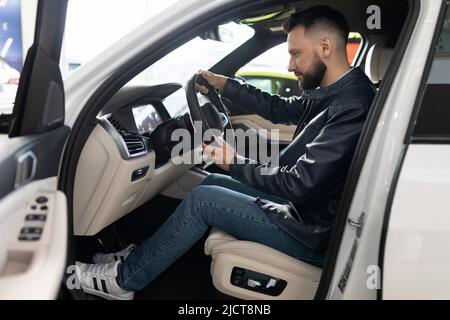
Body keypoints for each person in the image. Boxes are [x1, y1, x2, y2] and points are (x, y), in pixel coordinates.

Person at [75, 5, 376, 300]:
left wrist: (234, 161)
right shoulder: (337, 91)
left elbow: (301, 182)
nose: (289, 65)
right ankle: (139, 258)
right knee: (209, 183)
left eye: (295, 53)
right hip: (306, 210)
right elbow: (280, 109)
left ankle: (124, 281)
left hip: (312, 231)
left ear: (325, 46)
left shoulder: (351, 104)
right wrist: (224, 84)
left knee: (204, 201)